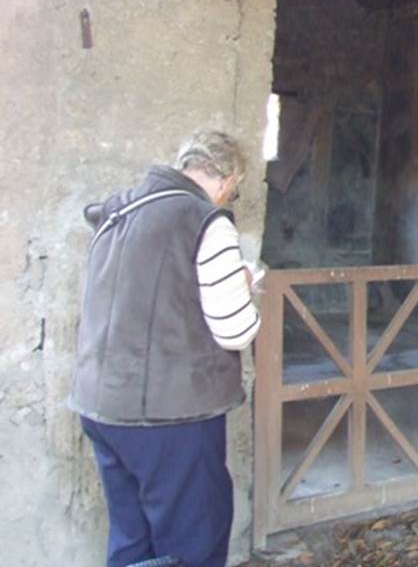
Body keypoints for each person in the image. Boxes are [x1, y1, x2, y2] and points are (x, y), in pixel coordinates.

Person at [68, 130, 262, 567]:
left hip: (101, 404)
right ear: (227, 179)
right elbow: (235, 330)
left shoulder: (119, 211)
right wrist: (245, 289)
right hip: (168, 416)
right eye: (234, 189)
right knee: (192, 540)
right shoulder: (205, 222)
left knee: (132, 540)